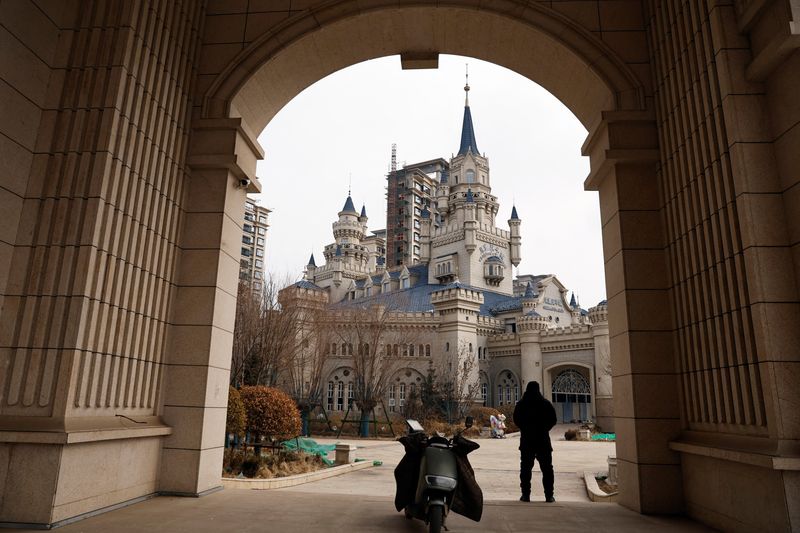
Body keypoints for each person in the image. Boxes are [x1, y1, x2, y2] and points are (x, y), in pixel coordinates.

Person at [513, 381, 557, 502]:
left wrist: (525, 428)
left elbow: (516, 419)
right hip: (543, 440)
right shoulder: (545, 404)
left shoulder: (521, 404)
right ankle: (549, 495)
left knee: (526, 469)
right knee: (547, 469)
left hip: (527, 441)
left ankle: (525, 495)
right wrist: (544, 428)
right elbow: (553, 419)